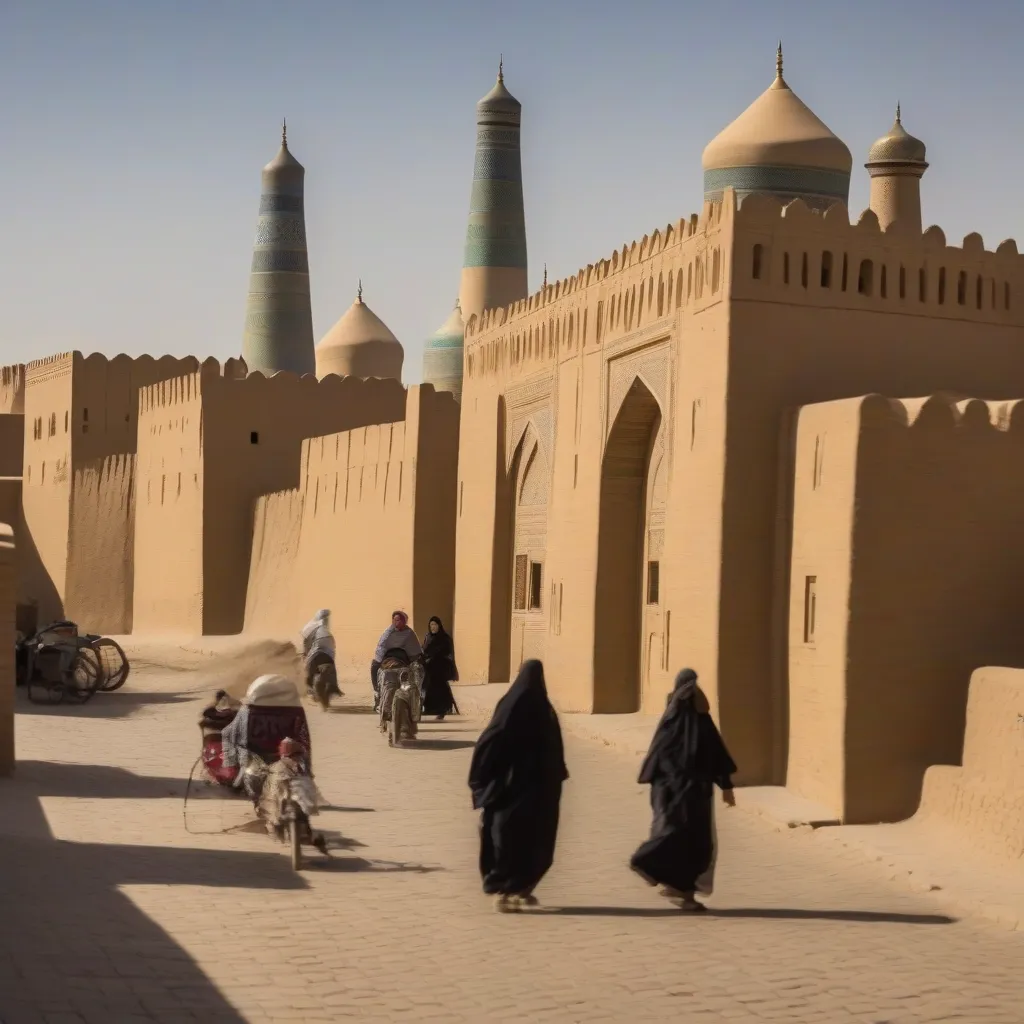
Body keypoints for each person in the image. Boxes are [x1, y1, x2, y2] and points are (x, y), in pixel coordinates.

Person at [630, 668, 737, 914]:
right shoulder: (696, 721)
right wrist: (726, 787)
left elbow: (657, 759)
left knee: (680, 838)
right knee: (690, 843)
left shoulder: (671, 720)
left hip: (676, 794)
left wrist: (726, 786)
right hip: (692, 795)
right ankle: (680, 890)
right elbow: (716, 755)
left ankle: (674, 885)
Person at [468, 660, 568, 913]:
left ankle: (516, 889)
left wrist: (480, 778)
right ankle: (508, 890)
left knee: (510, 838)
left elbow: (488, 742)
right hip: (528, 791)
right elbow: (555, 755)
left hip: (513, 789)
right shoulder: (545, 711)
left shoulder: (510, 706)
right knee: (531, 840)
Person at [370, 611, 422, 710]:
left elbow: (414, 650)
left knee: (419, 670)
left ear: (404, 621)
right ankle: (377, 692)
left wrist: (413, 659)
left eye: (398, 620)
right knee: (374, 666)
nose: (395, 622)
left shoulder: (409, 633)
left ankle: (417, 700)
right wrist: (379, 659)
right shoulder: (388, 632)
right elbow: (381, 646)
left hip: (404, 660)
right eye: (394, 620)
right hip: (388, 658)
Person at [421, 616, 458, 720]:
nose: (433, 627)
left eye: (435, 625)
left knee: (438, 684)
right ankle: (430, 708)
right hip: (430, 666)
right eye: (431, 625)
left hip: (442, 666)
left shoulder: (445, 638)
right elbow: (425, 650)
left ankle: (443, 708)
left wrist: (432, 656)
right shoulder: (428, 637)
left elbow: (446, 653)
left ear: (439, 625)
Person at [301, 608, 340, 703]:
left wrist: (305, 653)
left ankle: (310, 688)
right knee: (331, 663)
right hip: (327, 645)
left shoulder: (310, 626)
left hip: (320, 647)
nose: (326, 619)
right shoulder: (320, 627)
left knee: (308, 667)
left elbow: (306, 642)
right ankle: (334, 687)